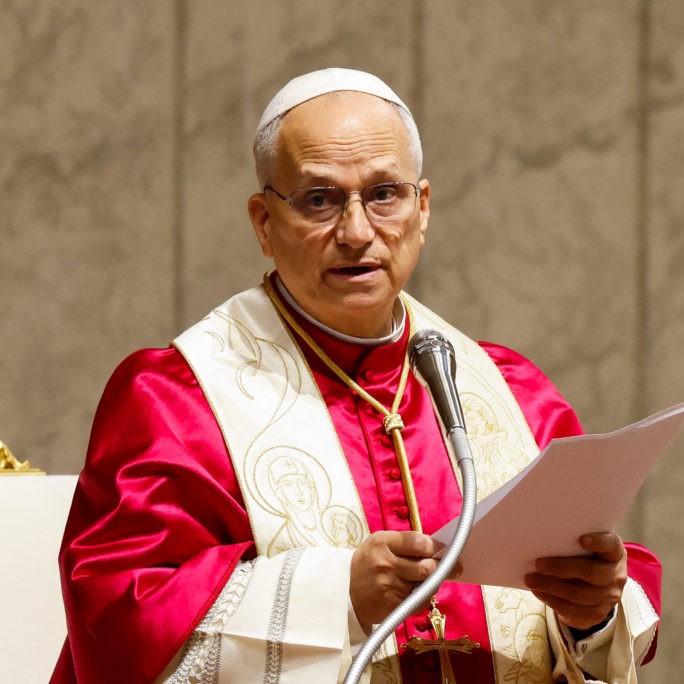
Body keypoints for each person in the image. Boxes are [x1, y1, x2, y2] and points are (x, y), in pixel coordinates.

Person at [51, 68, 661, 684]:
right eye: (319, 199)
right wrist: (335, 595)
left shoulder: (513, 392)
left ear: (422, 209)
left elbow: (596, 598)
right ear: (264, 222)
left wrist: (592, 614)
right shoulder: (177, 400)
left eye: (384, 194)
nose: (357, 231)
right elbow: (122, 623)